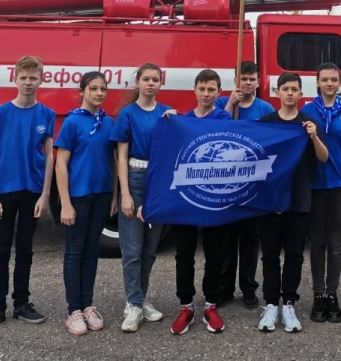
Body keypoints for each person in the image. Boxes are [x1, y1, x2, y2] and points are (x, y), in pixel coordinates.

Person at [0, 55, 55, 332]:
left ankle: (22, 303)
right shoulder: (0, 114)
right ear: (15, 79)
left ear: (41, 80)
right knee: (0, 251)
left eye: (33, 78)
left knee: (25, 250)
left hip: (32, 191)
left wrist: (45, 194)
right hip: (4, 191)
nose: (28, 82)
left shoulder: (46, 114)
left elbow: (49, 156)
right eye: (23, 77)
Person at [256, 72, 329, 333]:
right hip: (270, 199)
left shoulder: (308, 123)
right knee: (270, 254)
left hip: (298, 198)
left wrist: (314, 137)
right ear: (277, 93)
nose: (289, 93)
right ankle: (270, 304)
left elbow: (323, 157)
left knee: (295, 255)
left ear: (301, 93)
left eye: (294, 89)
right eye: (285, 88)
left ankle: (288, 303)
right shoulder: (267, 122)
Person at [110, 63, 174, 333]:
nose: (150, 83)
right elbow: (121, 156)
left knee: (149, 250)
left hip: (157, 184)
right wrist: (125, 194)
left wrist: (176, 123)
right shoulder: (127, 114)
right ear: (137, 82)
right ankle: (133, 304)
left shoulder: (166, 113)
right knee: (132, 249)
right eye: (146, 79)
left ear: (161, 83)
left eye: (155, 79)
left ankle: (140, 299)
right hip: (135, 181)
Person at [54, 71, 116, 336]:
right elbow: (61, 163)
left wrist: (114, 195)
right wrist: (65, 203)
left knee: (92, 250)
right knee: (75, 251)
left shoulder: (109, 123)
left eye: (103, 88)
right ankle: (74, 310)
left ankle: (88, 305)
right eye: (93, 88)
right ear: (82, 91)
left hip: (102, 195)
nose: (99, 93)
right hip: (78, 196)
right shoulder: (72, 122)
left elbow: (114, 161)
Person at [170, 69, 231, 335]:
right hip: (186, 198)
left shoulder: (224, 118)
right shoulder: (182, 120)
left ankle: (210, 304)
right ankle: (186, 306)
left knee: (215, 253)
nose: (206, 94)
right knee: (183, 253)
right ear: (194, 90)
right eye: (202, 89)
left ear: (219, 92)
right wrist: (168, 121)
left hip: (213, 198)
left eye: (211, 89)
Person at [301, 62, 341, 324]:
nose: (329, 84)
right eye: (324, 79)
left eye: (333, 80)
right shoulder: (306, 111)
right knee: (317, 241)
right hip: (315, 184)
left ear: (339, 83)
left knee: (335, 242)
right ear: (317, 82)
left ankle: (332, 294)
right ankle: (318, 294)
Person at [215, 60, 274, 308]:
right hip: (227, 183)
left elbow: (272, 140)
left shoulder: (266, 108)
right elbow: (214, 131)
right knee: (227, 239)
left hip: (253, 184)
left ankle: (248, 288)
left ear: (258, 82)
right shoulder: (222, 103)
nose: (247, 83)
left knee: (250, 240)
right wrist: (231, 104)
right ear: (236, 81)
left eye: (251, 79)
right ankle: (225, 288)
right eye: (243, 78)